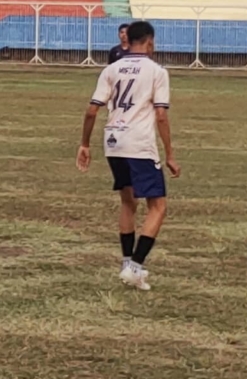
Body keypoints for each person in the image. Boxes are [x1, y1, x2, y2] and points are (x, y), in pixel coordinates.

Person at [77, 19, 179, 289]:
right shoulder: (157, 71)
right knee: (158, 206)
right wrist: (169, 153)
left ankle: (126, 263)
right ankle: (135, 267)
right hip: (139, 144)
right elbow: (161, 115)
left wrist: (84, 144)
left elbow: (91, 110)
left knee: (128, 202)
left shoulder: (111, 69)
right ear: (149, 41)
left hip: (113, 141)